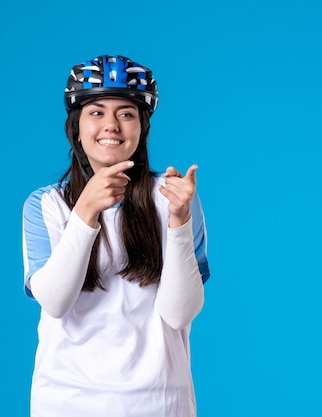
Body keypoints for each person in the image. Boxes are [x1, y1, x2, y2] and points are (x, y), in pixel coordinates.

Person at [21, 54, 210, 417]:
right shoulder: (45, 205)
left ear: (142, 128)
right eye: (96, 112)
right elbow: (55, 302)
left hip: (162, 403)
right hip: (66, 403)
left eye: (126, 113)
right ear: (75, 127)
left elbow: (179, 313)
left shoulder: (172, 196)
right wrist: (86, 213)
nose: (112, 125)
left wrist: (179, 221)